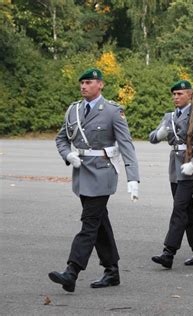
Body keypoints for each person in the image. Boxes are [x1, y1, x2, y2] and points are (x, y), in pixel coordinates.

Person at [50, 68, 140, 292]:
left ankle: (72, 271)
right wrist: (68, 155)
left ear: (100, 84)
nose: (83, 86)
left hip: (103, 173)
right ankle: (112, 271)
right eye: (82, 83)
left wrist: (133, 178)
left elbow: (126, 144)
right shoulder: (74, 110)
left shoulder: (111, 111)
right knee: (100, 223)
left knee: (89, 223)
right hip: (82, 174)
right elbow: (61, 139)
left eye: (89, 82)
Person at [149, 80, 193, 268]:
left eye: (180, 94)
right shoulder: (169, 116)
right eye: (174, 94)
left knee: (179, 208)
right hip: (175, 167)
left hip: (190, 167)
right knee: (186, 210)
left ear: (190, 95)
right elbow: (152, 138)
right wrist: (158, 135)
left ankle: (169, 252)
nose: (176, 97)